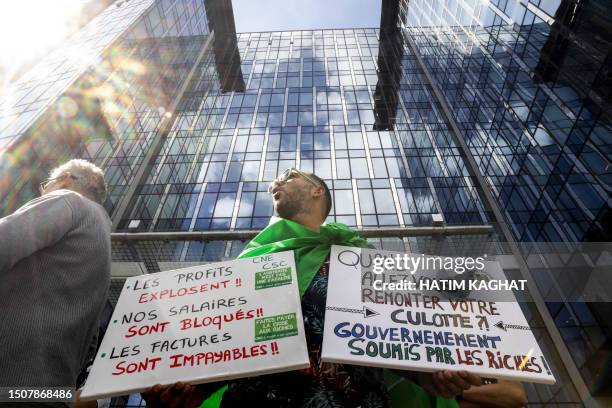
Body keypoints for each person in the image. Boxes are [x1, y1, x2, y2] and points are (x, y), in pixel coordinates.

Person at [143, 168, 482, 407]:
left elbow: (390, 334)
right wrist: (191, 390)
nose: (276, 183)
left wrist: (431, 376)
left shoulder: (357, 257)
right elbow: (231, 339)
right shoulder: (248, 263)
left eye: (289, 177)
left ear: (317, 191)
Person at [0, 159, 111, 407]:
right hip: (51, 394)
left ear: (66, 179)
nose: (44, 191)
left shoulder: (69, 200)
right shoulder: (102, 243)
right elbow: (90, 343)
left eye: (45, 184)